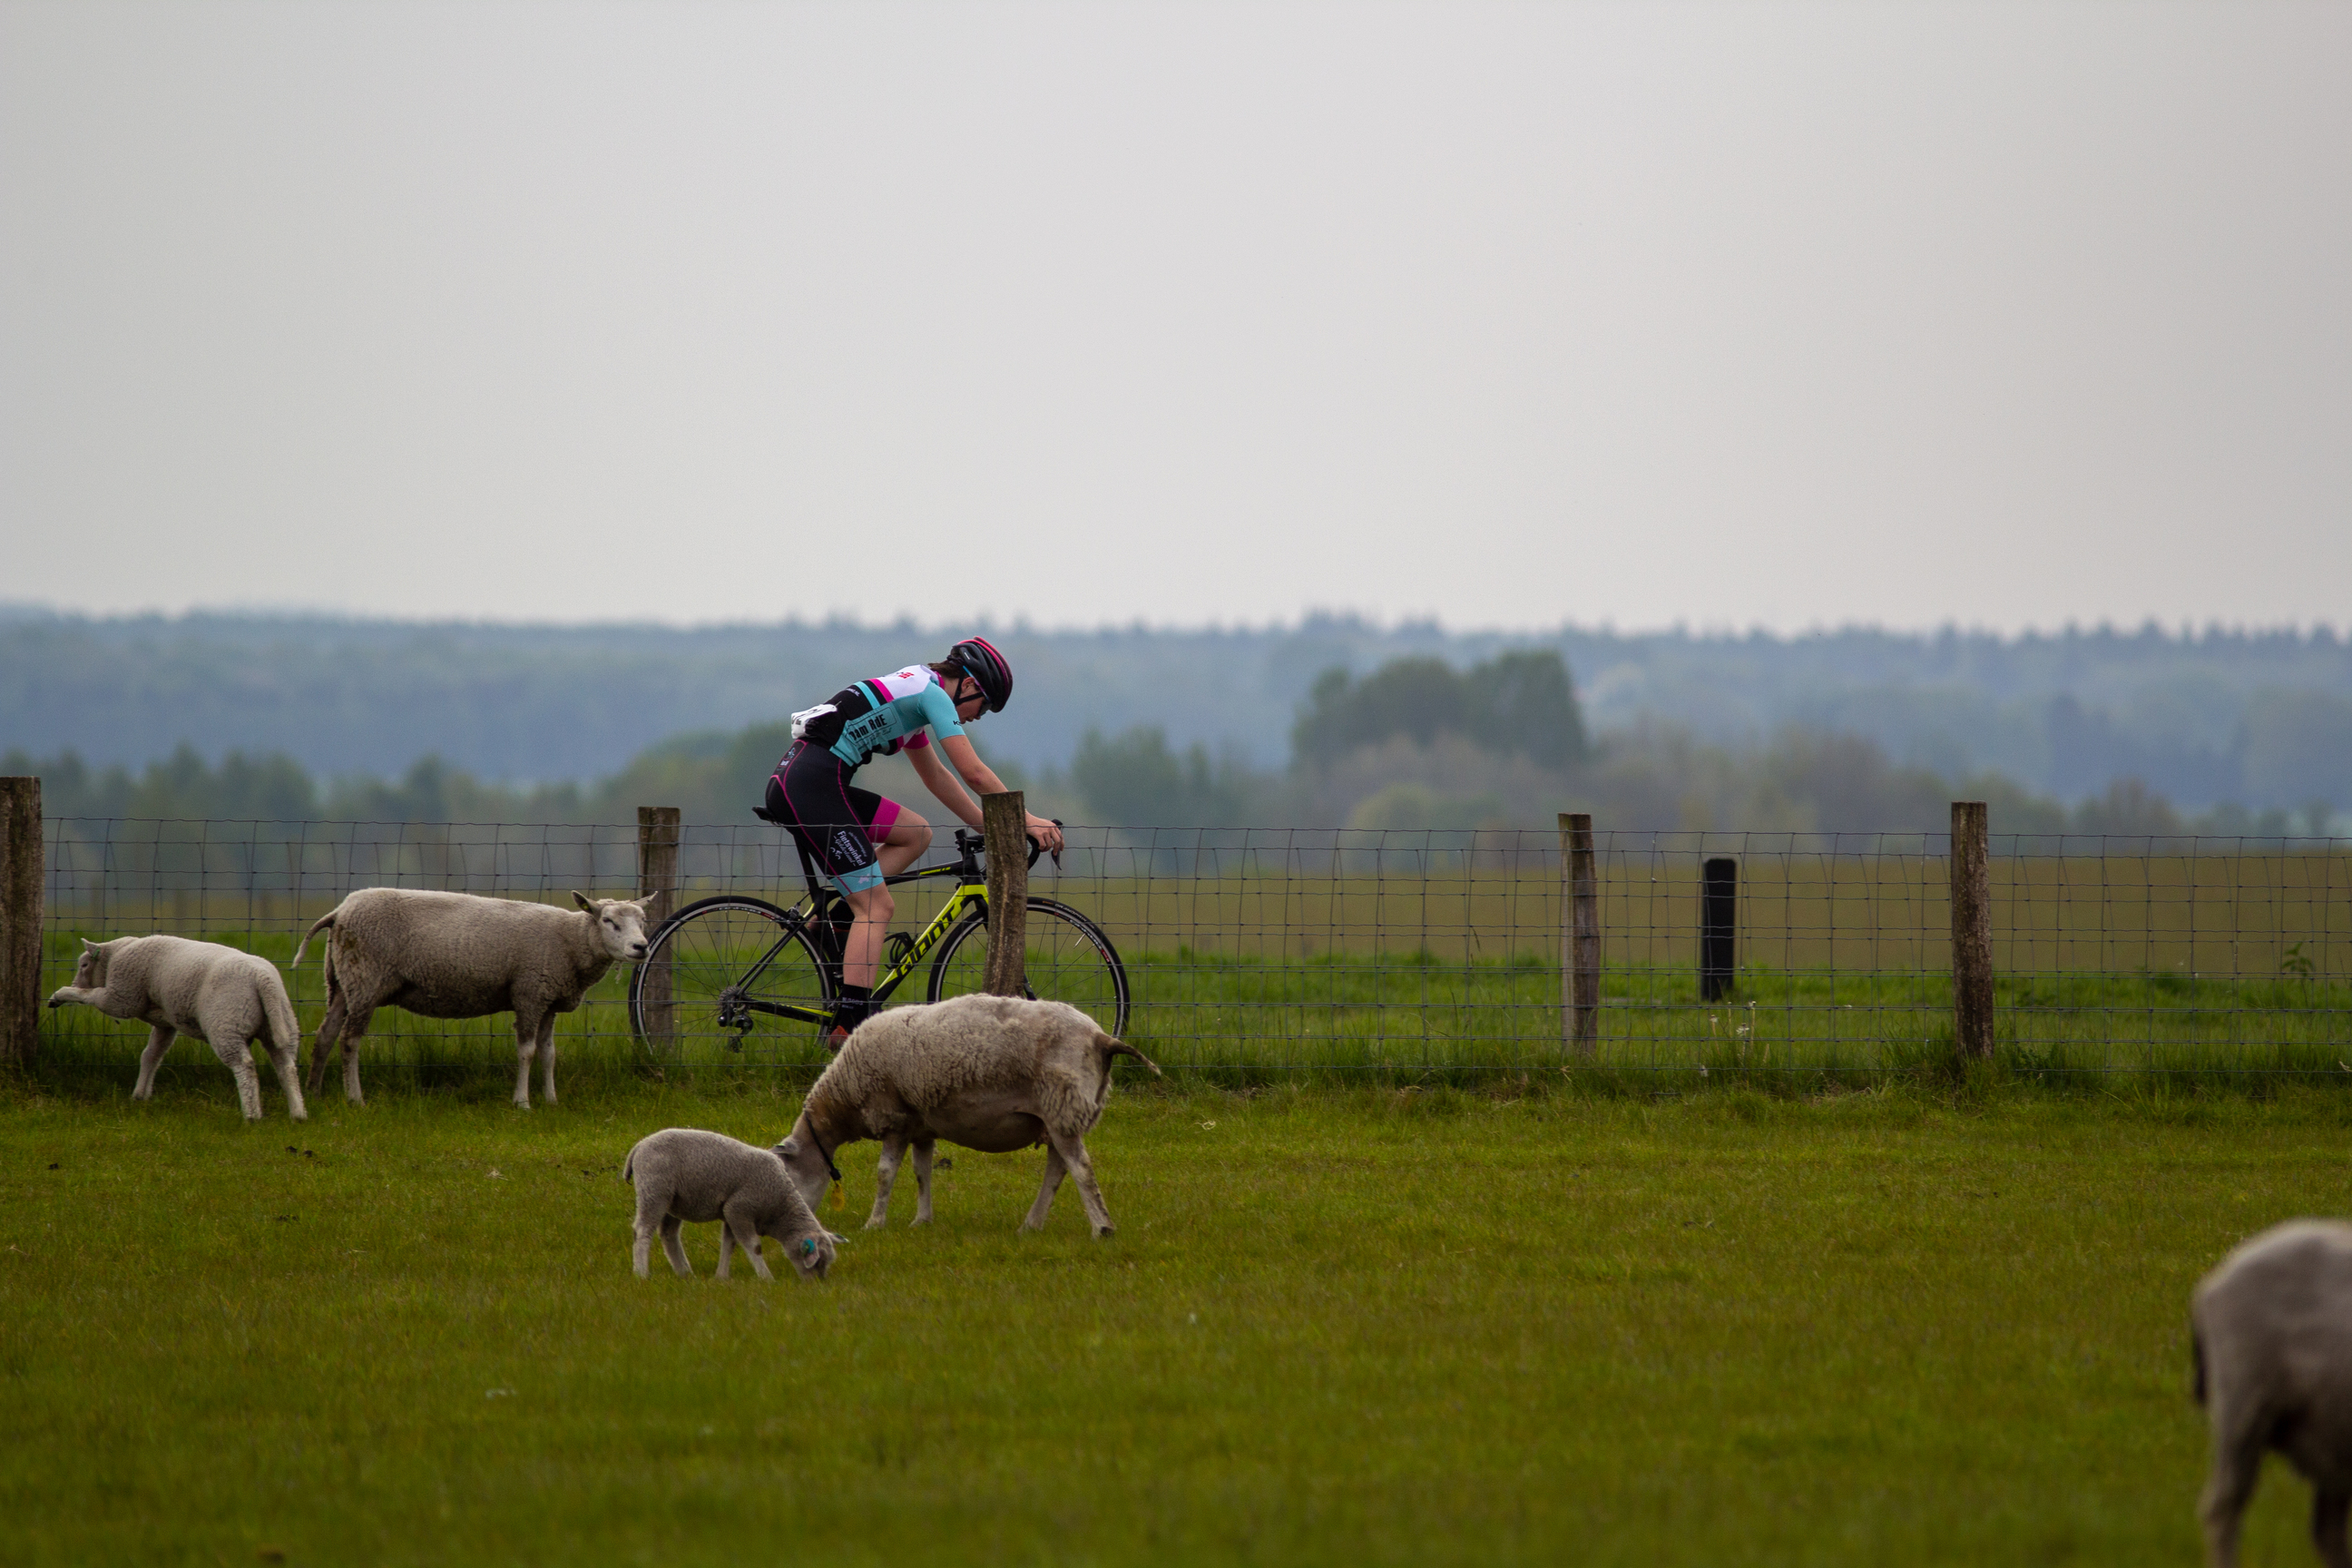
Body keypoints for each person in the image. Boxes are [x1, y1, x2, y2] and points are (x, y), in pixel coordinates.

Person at [764, 636, 1063, 1046]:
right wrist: (1023, 820)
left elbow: (938, 779)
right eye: (986, 705)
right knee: (876, 905)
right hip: (811, 785)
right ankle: (847, 1026)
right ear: (970, 684)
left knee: (916, 833)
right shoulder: (932, 695)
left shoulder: (914, 692)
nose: (979, 717)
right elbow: (972, 772)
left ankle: (836, 921)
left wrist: (991, 827)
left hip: (810, 780)